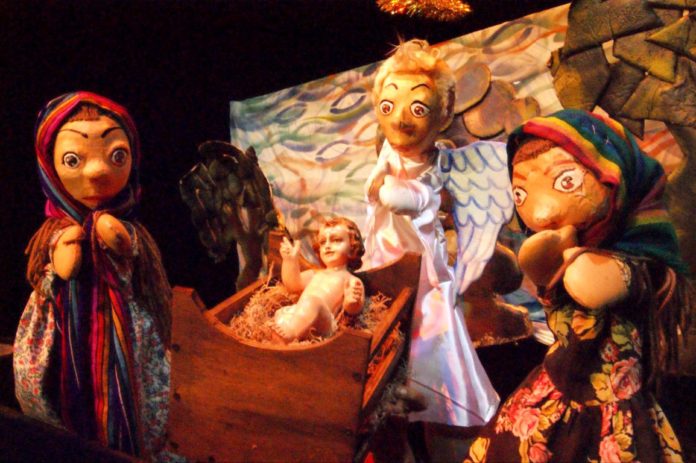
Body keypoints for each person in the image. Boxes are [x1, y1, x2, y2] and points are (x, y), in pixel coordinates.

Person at [465, 109, 691, 462]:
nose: (540, 213)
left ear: (615, 175)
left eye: (566, 180)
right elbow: (536, 262)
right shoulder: (562, 250)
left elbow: (586, 283)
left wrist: (567, 250)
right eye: (521, 193)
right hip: (551, 393)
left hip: (610, 412)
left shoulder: (634, 262)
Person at [14, 92, 172, 459]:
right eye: (73, 159)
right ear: (50, 165)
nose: (98, 171)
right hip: (64, 322)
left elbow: (129, 248)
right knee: (61, 390)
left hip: (123, 323)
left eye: (116, 155)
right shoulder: (55, 232)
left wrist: (111, 231)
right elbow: (63, 267)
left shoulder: (129, 226)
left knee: (131, 386)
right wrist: (64, 245)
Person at [364, 39, 500, 435]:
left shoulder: (435, 162)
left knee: (430, 330)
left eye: (418, 108)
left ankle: (440, 408)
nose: (400, 120)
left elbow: (424, 195)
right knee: (384, 329)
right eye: (387, 106)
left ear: (442, 115)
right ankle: (387, 404)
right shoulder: (388, 153)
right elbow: (378, 192)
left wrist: (397, 193)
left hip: (421, 261)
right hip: (385, 250)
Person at [271, 217, 365, 342]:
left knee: (313, 302)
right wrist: (290, 261)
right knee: (288, 311)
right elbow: (293, 285)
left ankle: (291, 334)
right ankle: (286, 335)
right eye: (323, 242)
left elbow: (354, 311)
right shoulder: (314, 274)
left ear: (352, 248)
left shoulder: (350, 280)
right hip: (300, 316)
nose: (327, 246)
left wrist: (351, 302)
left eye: (336, 240)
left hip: (324, 323)